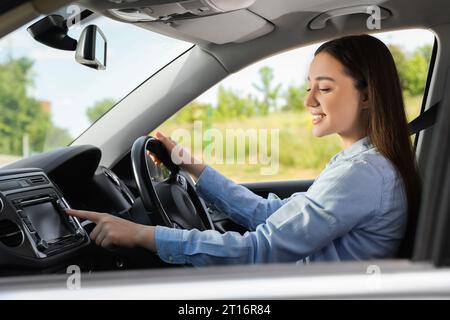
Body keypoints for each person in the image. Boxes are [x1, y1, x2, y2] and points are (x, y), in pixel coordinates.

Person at [66, 34, 421, 266]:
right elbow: (273, 216)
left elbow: (262, 250)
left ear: (367, 95)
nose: (308, 99)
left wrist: (144, 235)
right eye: (308, 87)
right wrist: (195, 169)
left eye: (324, 89)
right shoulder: (361, 164)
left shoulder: (363, 173)